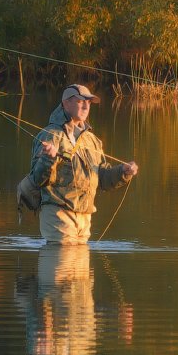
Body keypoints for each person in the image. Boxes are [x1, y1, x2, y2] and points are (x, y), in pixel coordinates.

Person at [30, 84, 138, 244]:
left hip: (84, 220)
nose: (86, 105)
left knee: (80, 268)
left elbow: (102, 178)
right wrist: (48, 158)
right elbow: (37, 179)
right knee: (61, 265)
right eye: (81, 101)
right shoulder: (50, 135)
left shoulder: (92, 140)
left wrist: (123, 171)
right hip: (58, 214)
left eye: (89, 102)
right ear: (66, 103)